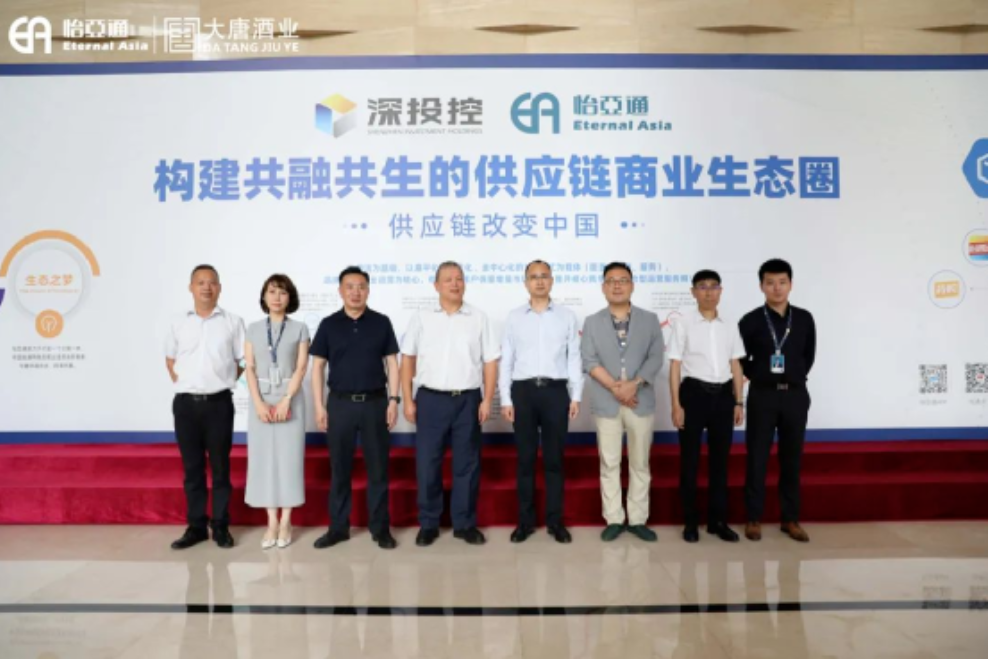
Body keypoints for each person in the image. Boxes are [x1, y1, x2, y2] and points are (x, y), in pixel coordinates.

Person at [401, 261, 500, 547]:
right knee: (427, 463)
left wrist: (487, 399)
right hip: (430, 399)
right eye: (448, 279)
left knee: (467, 464)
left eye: (459, 278)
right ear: (436, 286)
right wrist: (407, 399)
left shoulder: (478, 317)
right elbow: (407, 358)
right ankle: (428, 523)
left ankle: (464, 524)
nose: (455, 284)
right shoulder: (421, 317)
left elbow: (490, 361)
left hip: (467, 399)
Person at [310, 267, 401, 551]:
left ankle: (380, 529)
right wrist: (319, 406)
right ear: (340, 291)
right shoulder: (329, 324)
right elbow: (317, 367)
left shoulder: (381, 322)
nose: (355, 292)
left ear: (368, 290)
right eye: (349, 286)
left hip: (375, 403)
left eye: (361, 286)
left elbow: (392, 363)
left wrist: (394, 400)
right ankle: (338, 528)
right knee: (340, 470)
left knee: (378, 470)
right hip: (340, 404)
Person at [580, 263, 665, 543]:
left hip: (640, 400)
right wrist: (616, 388)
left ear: (632, 285)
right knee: (610, 462)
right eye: (611, 280)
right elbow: (589, 359)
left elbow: (656, 357)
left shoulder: (650, 320)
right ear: (603, 287)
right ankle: (614, 519)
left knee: (640, 463)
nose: (617, 285)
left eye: (623, 280)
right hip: (607, 402)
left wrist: (633, 384)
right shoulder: (592, 322)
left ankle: (638, 519)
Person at [500, 260, 584, 545]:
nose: (539, 281)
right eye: (533, 277)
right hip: (523, 392)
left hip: (555, 392)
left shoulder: (566, 316)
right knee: (525, 460)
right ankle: (524, 522)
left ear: (552, 280)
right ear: (526, 283)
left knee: (554, 460)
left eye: (544, 276)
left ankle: (555, 522)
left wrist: (576, 395)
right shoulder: (514, 317)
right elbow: (507, 360)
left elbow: (574, 358)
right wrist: (506, 398)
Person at [164, 265, 245, 550]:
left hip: (219, 404)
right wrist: (187, 383)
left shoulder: (233, 322)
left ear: (219, 287)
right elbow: (170, 359)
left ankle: (221, 526)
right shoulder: (178, 322)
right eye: (200, 282)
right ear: (191, 287)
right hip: (185, 405)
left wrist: (221, 381)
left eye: (211, 282)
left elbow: (241, 360)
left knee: (221, 468)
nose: (206, 287)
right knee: (192, 469)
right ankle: (196, 527)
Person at [739, 259, 817, 544]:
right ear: (761, 286)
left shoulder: (804, 318)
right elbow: (739, 358)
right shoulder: (750, 321)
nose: (777, 288)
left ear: (791, 284)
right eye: (770, 282)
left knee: (792, 458)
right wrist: (759, 374)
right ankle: (753, 518)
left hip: (795, 395)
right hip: (763, 395)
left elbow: (808, 356)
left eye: (782, 282)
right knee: (757, 458)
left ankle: (790, 519)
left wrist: (791, 375)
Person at [669, 270, 746, 545]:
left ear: (720, 291)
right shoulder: (683, 323)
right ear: (693, 292)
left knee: (720, 463)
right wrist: (676, 404)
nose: (709, 292)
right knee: (689, 462)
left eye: (714, 287)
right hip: (693, 395)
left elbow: (736, 364)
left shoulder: (730, 325)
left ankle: (718, 521)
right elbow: (675, 365)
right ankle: (691, 521)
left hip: (724, 396)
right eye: (702, 287)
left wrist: (739, 401)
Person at [244, 274, 310, 550]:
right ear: (264, 296)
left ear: (290, 297)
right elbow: (249, 367)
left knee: (289, 459)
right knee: (263, 460)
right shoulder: (253, 329)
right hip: (260, 398)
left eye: (282, 292)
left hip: (289, 398)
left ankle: (286, 521)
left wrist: (286, 400)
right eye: (271, 292)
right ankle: (271, 521)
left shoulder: (299, 328)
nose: (276, 297)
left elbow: (301, 367)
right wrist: (259, 403)